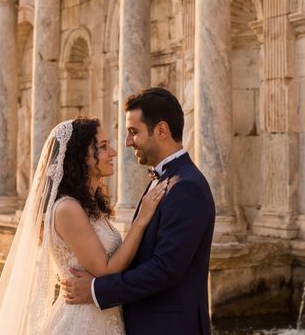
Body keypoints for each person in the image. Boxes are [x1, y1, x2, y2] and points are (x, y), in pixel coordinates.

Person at [0, 117, 168, 334]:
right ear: (80, 157)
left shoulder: (87, 205)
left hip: (102, 316)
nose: (113, 152)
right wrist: (140, 221)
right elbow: (105, 269)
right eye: (103, 147)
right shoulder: (67, 209)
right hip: (82, 323)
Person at [61, 87, 217, 335]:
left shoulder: (186, 187)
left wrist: (95, 290)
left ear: (162, 131)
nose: (126, 142)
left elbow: (165, 269)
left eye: (134, 132)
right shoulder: (166, 179)